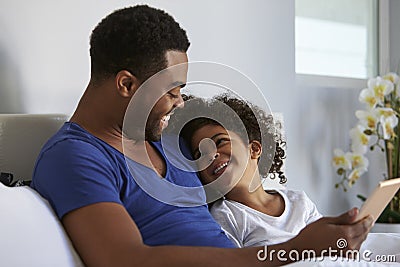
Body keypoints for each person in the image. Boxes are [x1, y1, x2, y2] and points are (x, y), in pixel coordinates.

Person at [31, 5, 373, 267]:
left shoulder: (173, 143)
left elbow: (240, 178)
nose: (180, 102)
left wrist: (318, 234)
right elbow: (126, 260)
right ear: (126, 84)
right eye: (173, 90)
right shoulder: (75, 157)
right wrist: (289, 252)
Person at [173, 94, 323, 248]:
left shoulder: (300, 202)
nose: (212, 154)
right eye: (201, 154)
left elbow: (331, 248)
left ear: (254, 149)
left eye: (220, 141)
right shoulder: (226, 216)